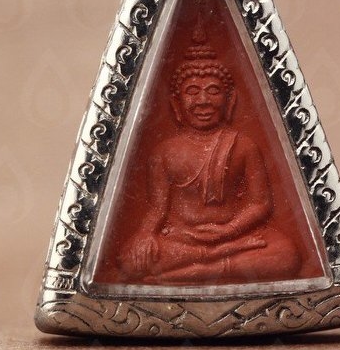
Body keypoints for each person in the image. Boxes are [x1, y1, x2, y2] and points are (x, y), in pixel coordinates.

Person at [120, 32, 302, 284]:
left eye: (214, 91)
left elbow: (260, 204)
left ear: (230, 100)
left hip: (235, 235)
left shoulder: (243, 146)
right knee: (130, 260)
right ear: (176, 103)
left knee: (286, 255)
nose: (203, 101)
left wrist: (228, 230)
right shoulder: (164, 151)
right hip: (182, 237)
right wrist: (145, 234)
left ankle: (192, 272)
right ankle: (215, 257)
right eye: (192, 91)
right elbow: (157, 208)